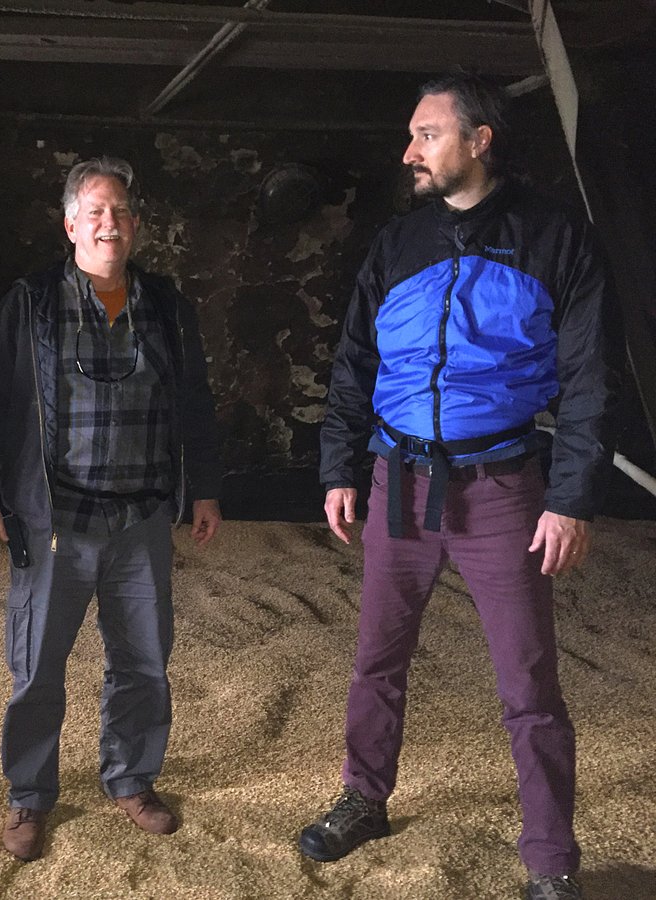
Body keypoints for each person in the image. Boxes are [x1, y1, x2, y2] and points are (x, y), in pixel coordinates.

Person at [302, 74, 618, 900]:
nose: (410, 152)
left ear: (480, 140)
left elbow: (590, 377)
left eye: (428, 135)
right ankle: (364, 799)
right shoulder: (397, 244)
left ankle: (550, 858)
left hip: (503, 489)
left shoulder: (555, 238)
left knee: (529, 684)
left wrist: (572, 496)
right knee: (376, 659)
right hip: (397, 480)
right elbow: (354, 363)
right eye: (411, 136)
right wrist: (340, 466)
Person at [0, 156, 223, 862]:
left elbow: (194, 400)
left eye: (121, 212)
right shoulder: (33, 300)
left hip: (140, 521)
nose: (110, 222)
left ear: (134, 227)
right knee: (38, 666)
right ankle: (29, 795)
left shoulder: (165, 305)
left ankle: (132, 777)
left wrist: (203, 485)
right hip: (56, 522)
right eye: (96, 210)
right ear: (71, 222)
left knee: (143, 661)